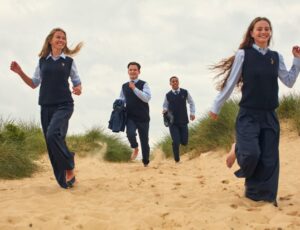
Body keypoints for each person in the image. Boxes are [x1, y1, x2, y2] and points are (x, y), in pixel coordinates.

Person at [209, 17, 300, 206]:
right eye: (259, 29)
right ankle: (238, 148)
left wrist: (297, 60)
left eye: (267, 29)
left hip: (269, 115)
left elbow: (289, 81)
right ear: (252, 33)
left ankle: (261, 196)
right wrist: (217, 105)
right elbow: (231, 82)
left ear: (270, 33)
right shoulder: (244, 54)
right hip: (248, 114)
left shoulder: (276, 57)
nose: (263, 32)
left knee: (269, 159)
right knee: (251, 154)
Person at [10, 28, 83, 189]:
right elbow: (34, 83)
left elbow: (77, 82)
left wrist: (78, 89)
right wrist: (20, 72)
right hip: (46, 106)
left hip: (64, 105)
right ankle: (64, 180)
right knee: (52, 143)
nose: (61, 40)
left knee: (52, 135)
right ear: (50, 40)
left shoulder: (69, 62)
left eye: (64, 38)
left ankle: (69, 164)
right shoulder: (43, 61)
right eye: (58, 37)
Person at [119, 62, 151, 167]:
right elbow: (122, 99)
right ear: (128, 71)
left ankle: (145, 161)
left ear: (139, 71)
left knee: (144, 141)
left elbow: (147, 98)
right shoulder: (124, 86)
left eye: (135, 70)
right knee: (130, 133)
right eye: (130, 70)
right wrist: (118, 104)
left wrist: (134, 89)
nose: (132, 71)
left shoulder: (144, 84)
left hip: (143, 117)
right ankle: (135, 147)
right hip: (130, 116)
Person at [163, 76, 195, 163]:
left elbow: (191, 102)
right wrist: (165, 110)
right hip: (172, 122)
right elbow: (165, 105)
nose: (175, 82)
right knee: (176, 141)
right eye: (173, 81)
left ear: (178, 82)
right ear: (170, 84)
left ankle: (177, 141)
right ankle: (177, 160)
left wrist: (192, 113)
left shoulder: (185, 92)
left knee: (184, 142)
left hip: (183, 120)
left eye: (176, 81)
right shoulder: (168, 95)